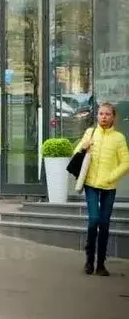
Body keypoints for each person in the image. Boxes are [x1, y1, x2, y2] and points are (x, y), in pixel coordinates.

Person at [74, 102, 129, 276]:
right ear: (97, 116)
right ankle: (89, 261)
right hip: (91, 185)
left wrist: (110, 177)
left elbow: (126, 163)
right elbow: (76, 153)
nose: (103, 117)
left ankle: (101, 264)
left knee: (104, 224)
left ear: (113, 117)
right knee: (93, 221)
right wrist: (84, 147)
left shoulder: (119, 138)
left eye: (107, 114)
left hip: (108, 187)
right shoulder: (90, 133)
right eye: (100, 114)